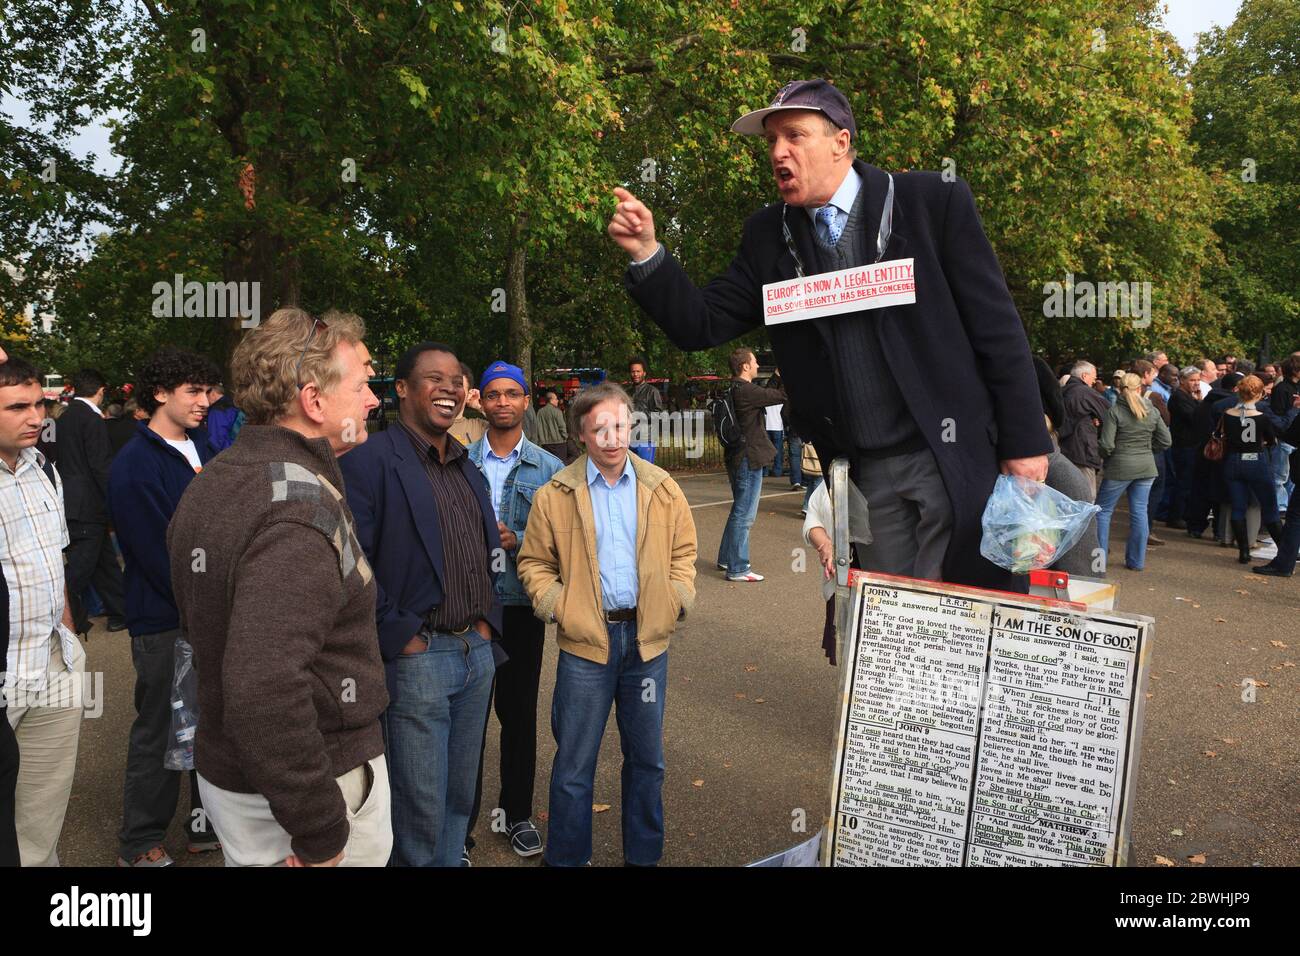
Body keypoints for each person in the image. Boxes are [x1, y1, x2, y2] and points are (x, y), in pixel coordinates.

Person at [610, 78, 1051, 591]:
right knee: (888, 625)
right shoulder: (767, 234)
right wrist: (647, 251)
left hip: (949, 453)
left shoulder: (931, 201)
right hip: (864, 471)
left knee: (962, 613)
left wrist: (1025, 443)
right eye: (771, 141)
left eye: (794, 136)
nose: (778, 152)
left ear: (841, 141)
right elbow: (699, 323)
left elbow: (998, 329)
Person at [167, 308, 391, 868]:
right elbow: (262, 684)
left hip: (242, 781)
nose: (373, 400)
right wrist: (319, 834)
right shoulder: (297, 508)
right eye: (362, 385)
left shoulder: (216, 479)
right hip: (308, 789)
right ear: (314, 402)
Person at [517, 382, 697, 867]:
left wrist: (677, 599)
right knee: (574, 767)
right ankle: (569, 859)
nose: (613, 437)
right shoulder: (555, 494)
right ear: (581, 433)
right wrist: (561, 608)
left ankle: (643, 857)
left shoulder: (662, 487)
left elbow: (684, 554)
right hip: (586, 648)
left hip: (647, 645)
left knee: (647, 762)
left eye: (620, 425)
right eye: (600, 428)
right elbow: (533, 564)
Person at [339, 341, 502, 868]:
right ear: (403, 389)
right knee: (419, 805)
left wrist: (484, 626)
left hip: (474, 654)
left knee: (459, 799)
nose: (450, 388)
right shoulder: (368, 461)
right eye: (435, 378)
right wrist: (401, 635)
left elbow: (482, 549)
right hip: (418, 658)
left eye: (457, 379)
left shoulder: (464, 463)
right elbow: (350, 560)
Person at [108, 347, 221, 867]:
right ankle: (141, 840)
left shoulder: (203, 445)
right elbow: (155, 555)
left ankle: (205, 828)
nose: (206, 401)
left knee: (209, 726)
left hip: (211, 615)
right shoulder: (135, 463)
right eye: (194, 391)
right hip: (163, 621)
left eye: (208, 390)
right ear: (160, 394)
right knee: (160, 729)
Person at [465, 361, 563, 859]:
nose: (502, 402)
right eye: (493, 394)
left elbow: (562, 545)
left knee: (519, 715)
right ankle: (458, 826)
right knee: (466, 719)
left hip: (521, 607)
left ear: (527, 401)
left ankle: (516, 814)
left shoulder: (550, 470)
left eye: (512, 394)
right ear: (479, 401)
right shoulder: (458, 462)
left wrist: (517, 539)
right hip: (467, 609)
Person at [0, 354, 84, 866]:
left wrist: (70, 642)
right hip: (4, 670)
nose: (37, 417)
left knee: (40, 820)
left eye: (40, 404)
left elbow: (57, 562)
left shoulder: (43, 469)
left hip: (52, 664)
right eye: (17, 407)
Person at [57, 368, 127, 634]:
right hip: (89, 505)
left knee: (104, 563)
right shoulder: (92, 419)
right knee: (80, 568)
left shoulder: (65, 418)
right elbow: (100, 465)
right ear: (100, 391)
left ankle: (121, 612)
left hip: (75, 502)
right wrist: (115, 499)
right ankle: (65, 616)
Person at [718, 348, 787, 582]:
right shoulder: (746, 390)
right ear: (745, 366)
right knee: (744, 514)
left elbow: (767, 392)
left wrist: (777, 376)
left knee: (738, 508)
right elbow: (777, 396)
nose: (758, 365)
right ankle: (738, 567)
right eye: (755, 362)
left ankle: (727, 558)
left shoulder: (735, 388)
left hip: (737, 455)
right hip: (748, 457)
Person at [1095, 373, 1171, 572]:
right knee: (1139, 512)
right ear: (1140, 389)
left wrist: (1104, 456)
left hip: (1120, 466)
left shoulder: (1115, 411)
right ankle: (1136, 561)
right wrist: (1147, 451)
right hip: (1146, 466)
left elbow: (1107, 444)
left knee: (1102, 512)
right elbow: (1166, 441)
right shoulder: (1151, 410)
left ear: (1120, 388)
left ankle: (1099, 563)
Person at [1220, 375, 1293, 564]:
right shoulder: (1262, 417)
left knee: (1238, 507)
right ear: (1260, 394)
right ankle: (1285, 550)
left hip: (1233, 461)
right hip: (1256, 461)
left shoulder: (1227, 414)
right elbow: (1271, 439)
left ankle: (1243, 552)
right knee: (1270, 506)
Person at [1060, 361, 1109, 499]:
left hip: (1063, 452)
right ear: (1084, 375)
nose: (1095, 380)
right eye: (1093, 377)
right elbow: (1109, 416)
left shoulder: (1061, 391)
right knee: (1086, 499)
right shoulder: (1085, 392)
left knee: (1066, 498)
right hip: (1082, 452)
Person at [1165, 366, 1203, 530]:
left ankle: (1183, 513)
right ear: (1182, 381)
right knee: (1183, 481)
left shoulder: (1189, 396)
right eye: (1192, 380)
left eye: (1197, 380)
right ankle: (1176, 515)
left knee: (1188, 481)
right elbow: (1194, 417)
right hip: (1184, 445)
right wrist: (1200, 404)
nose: (1196, 383)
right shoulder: (1178, 397)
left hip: (1191, 444)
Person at [626, 356, 663, 464]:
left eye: (638, 371)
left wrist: (638, 415)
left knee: (645, 474)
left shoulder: (652, 391)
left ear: (644, 373)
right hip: (628, 438)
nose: (635, 374)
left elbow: (658, 415)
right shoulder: (626, 392)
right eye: (633, 371)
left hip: (645, 439)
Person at [203, 383, 245, 452]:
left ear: (213, 393)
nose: (204, 400)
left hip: (229, 455)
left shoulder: (216, 411)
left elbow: (217, 442)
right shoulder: (234, 403)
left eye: (205, 395)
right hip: (242, 448)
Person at [534, 389, 570, 463]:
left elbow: (537, 427)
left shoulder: (540, 412)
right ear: (551, 400)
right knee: (560, 467)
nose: (557, 401)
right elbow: (562, 427)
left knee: (548, 466)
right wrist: (566, 437)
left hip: (545, 444)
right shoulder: (557, 411)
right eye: (556, 399)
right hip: (559, 443)